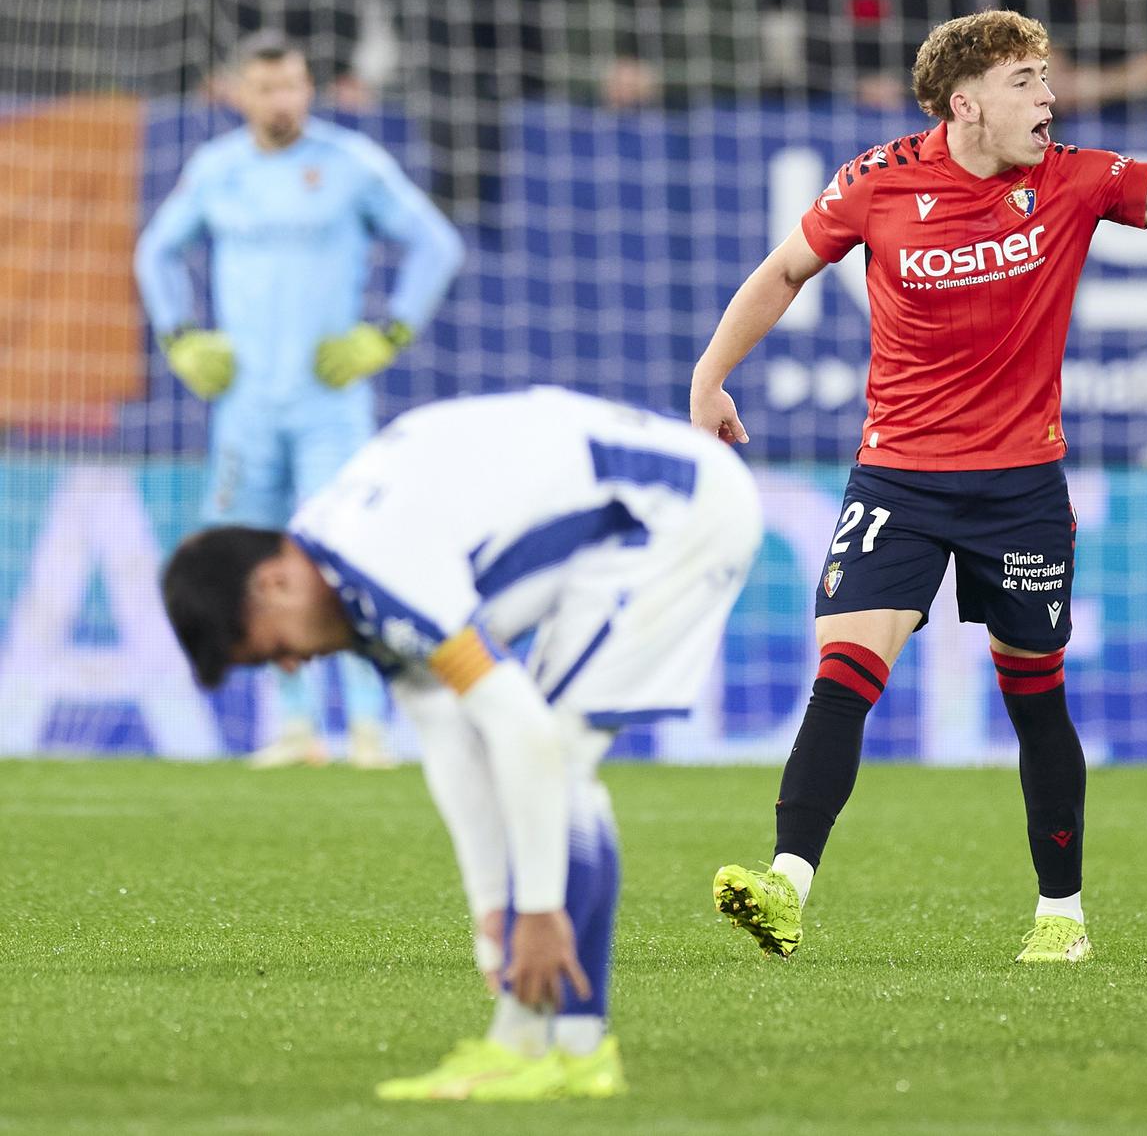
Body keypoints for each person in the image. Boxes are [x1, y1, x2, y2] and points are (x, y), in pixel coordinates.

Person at [691, 8, 1147, 964]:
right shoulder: (877, 181)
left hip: (1021, 486)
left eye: (1046, 76)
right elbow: (785, 270)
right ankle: (786, 882)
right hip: (898, 477)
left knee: (1034, 695)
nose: (1049, 95)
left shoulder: (1073, 179)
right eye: (1026, 79)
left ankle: (1061, 916)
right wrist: (710, 376)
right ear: (966, 103)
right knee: (844, 675)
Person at [158, 387, 764, 1102]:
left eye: (269, 650)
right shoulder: (342, 573)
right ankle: (575, 1049)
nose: (291, 665)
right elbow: (449, 739)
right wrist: (492, 908)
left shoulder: (376, 562)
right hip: (645, 509)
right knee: (555, 763)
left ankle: (525, 1041)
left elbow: (522, 730)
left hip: (674, 515)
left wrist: (536, 909)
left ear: (274, 581)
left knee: (558, 755)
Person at [135, 31, 464, 769]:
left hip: (329, 400)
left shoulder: (350, 164)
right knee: (253, 560)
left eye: (293, 86)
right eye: (266, 88)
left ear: (308, 87)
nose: (282, 101)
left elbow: (436, 243)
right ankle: (294, 727)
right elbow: (155, 250)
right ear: (238, 92)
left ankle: (371, 727)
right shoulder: (217, 171)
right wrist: (181, 334)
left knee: (343, 555)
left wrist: (388, 332)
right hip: (245, 404)